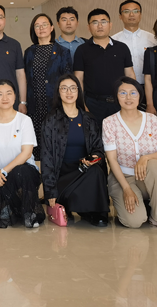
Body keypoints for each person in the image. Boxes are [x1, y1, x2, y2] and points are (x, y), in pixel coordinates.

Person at [103, 77, 157, 230]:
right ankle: (150, 204)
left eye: (133, 93)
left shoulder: (153, 120)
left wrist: (145, 158)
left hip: (147, 176)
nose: (128, 97)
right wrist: (126, 189)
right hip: (122, 178)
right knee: (134, 222)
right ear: (116, 96)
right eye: (123, 93)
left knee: (156, 166)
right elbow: (112, 159)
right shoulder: (109, 122)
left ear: (139, 95)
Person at [40, 73, 109, 227]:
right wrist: (50, 191)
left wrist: (93, 158)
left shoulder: (88, 119)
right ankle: (72, 205)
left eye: (73, 88)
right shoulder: (50, 120)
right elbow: (46, 157)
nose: (69, 92)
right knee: (87, 177)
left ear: (79, 91)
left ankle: (95, 213)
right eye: (64, 88)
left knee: (96, 171)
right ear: (58, 92)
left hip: (83, 170)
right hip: (62, 176)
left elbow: (98, 148)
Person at [0, 79, 45, 228]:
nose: (5, 98)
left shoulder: (24, 120)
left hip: (22, 173)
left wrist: (2, 172)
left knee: (21, 172)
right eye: (0, 94)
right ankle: (11, 209)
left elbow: (26, 153)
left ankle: (29, 213)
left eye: (9, 93)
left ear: (15, 97)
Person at [73, 9, 135, 124]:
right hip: (93, 103)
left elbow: (130, 75)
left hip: (120, 101)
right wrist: (82, 104)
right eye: (95, 22)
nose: (100, 26)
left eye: (103, 22)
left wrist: (132, 98)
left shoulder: (122, 48)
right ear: (88, 27)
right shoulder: (82, 50)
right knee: (94, 134)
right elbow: (78, 79)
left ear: (110, 25)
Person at [23, 13, 72, 161]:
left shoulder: (63, 52)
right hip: (35, 106)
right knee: (36, 147)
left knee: (55, 145)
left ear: (51, 28)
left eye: (44, 24)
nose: (41, 28)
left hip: (55, 105)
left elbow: (68, 81)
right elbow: (25, 79)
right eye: (37, 26)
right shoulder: (29, 52)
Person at [112, 0, 157, 84]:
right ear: (120, 16)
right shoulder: (113, 41)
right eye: (126, 11)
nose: (131, 14)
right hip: (124, 86)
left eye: (136, 11)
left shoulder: (153, 39)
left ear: (140, 15)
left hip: (150, 85)